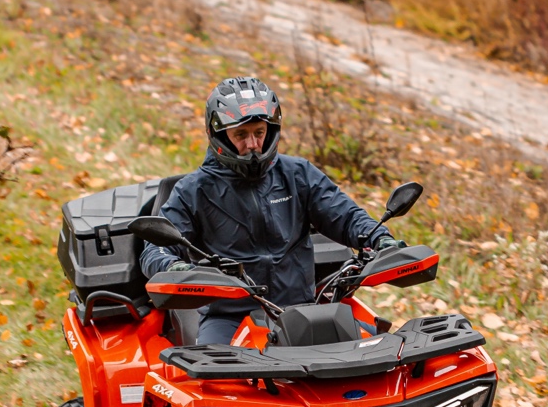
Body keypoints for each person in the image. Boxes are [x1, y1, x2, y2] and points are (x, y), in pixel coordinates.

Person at [140, 76, 405, 345]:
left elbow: (345, 216)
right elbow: (155, 249)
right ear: (219, 135)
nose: (253, 144)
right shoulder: (193, 191)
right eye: (241, 135)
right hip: (229, 317)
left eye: (259, 132)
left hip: (301, 311)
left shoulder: (298, 174)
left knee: (385, 349)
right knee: (211, 379)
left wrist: (379, 239)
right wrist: (176, 266)